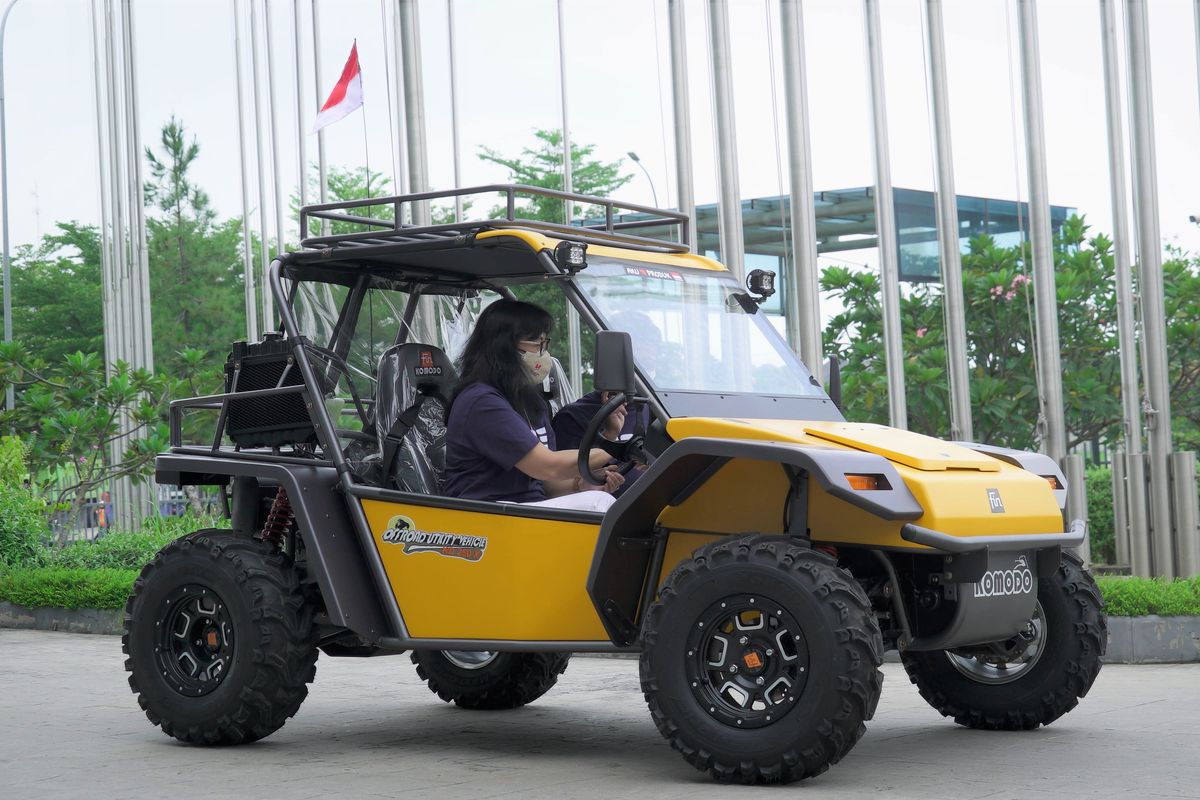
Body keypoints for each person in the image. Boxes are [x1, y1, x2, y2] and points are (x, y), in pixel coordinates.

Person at [443, 299, 623, 512]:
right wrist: (615, 448)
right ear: (505, 347)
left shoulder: (530, 402)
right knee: (600, 505)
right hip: (485, 513)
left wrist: (582, 485)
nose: (544, 354)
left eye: (545, 344)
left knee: (598, 498)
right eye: (538, 344)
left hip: (524, 510)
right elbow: (548, 466)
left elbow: (544, 483)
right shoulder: (482, 402)